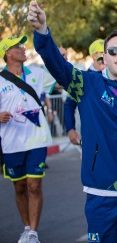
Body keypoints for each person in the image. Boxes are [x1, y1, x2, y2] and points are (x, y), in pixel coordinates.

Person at [28, 1, 117, 243]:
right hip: (101, 191)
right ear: (104, 57)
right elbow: (57, 65)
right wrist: (43, 30)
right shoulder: (86, 83)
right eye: (114, 51)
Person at [0, 35, 56, 243]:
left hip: (36, 140)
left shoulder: (37, 73)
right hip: (12, 143)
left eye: (23, 45)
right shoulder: (0, 80)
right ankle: (26, 227)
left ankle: (33, 233)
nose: (24, 49)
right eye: (18, 47)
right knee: (20, 186)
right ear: (7, 53)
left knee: (34, 185)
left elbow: (61, 78)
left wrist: (58, 58)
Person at [63, 39, 105, 146]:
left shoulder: (115, 77)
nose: (106, 56)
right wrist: (70, 129)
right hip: (92, 136)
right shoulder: (82, 79)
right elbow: (69, 105)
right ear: (94, 56)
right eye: (102, 52)